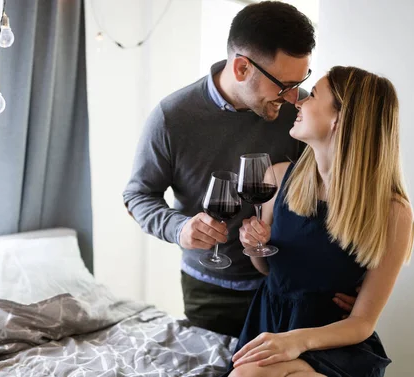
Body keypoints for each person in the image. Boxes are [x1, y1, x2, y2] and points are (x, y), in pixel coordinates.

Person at [122, 1, 355, 338]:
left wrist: (354, 278)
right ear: (242, 68)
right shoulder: (172, 117)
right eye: (284, 84)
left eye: (300, 81)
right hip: (211, 290)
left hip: (291, 288)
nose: (293, 97)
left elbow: (342, 189)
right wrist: (179, 228)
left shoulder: (302, 112)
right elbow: (137, 195)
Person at [227, 66, 414, 377]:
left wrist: (296, 341)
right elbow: (271, 271)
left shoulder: (393, 212)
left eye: (312, 95)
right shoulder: (277, 177)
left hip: (333, 344)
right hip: (272, 324)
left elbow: (363, 322)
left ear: (338, 119)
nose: (298, 102)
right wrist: (257, 246)